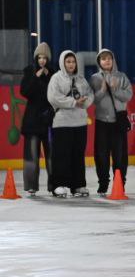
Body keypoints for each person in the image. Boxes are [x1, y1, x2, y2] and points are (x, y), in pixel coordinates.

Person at [46, 51, 92, 197]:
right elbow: (53, 97)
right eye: (68, 62)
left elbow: (90, 93)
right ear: (62, 63)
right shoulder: (56, 78)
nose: (71, 64)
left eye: (73, 62)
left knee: (78, 155)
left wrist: (85, 103)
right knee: (61, 155)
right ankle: (58, 185)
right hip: (62, 123)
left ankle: (78, 185)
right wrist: (74, 102)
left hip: (80, 122)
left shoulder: (81, 79)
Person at [89, 49, 133, 195]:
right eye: (103, 59)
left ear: (113, 60)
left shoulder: (122, 76)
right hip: (102, 122)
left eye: (109, 58)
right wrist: (102, 90)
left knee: (120, 155)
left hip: (118, 122)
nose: (107, 61)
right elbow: (92, 100)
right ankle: (103, 183)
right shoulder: (95, 78)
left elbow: (128, 95)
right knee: (101, 155)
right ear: (99, 62)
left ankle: (120, 182)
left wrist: (115, 89)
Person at [19, 43, 55, 195]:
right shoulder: (29, 72)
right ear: (35, 58)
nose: (42, 60)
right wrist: (35, 77)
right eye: (39, 57)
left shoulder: (53, 74)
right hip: (32, 121)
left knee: (52, 155)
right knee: (31, 155)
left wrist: (49, 77)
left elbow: (55, 94)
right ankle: (31, 186)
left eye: (45, 58)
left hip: (49, 121)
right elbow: (24, 92)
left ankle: (54, 185)